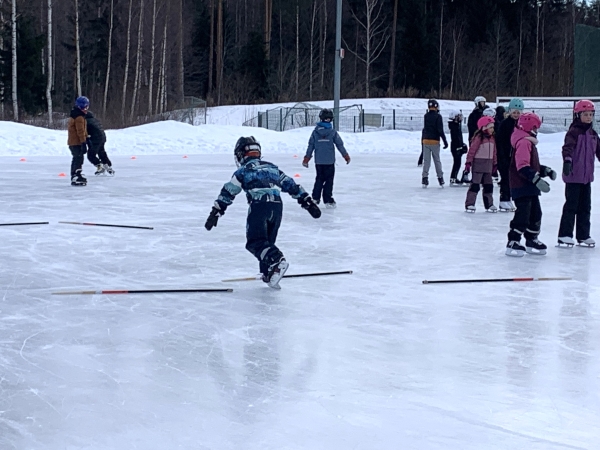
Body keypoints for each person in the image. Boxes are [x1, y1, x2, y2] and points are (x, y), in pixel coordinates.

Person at [206, 136, 321, 289]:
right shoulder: (272, 168)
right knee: (267, 243)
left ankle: (277, 261)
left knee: (255, 242)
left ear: (240, 155)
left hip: (259, 206)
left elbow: (229, 191)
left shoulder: (243, 171)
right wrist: (307, 201)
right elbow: (290, 184)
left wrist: (216, 211)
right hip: (277, 207)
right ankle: (269, 273)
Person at [505, 112, 556, 257]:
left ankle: (531, 239)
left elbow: (532, 165)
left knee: (535, 213)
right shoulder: (523, 142)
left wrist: (545, 170)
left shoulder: (528, 141)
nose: (537, 131)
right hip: (521, 185)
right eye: (535, 128)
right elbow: (522, 166)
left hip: (530, 186)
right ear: (529, 127)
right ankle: (513, 241)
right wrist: (537, 179)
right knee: (523, 214)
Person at [557, 99, 600, 247]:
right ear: (578, 115)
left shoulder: (593, 134)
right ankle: (564, 235)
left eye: (591, 114)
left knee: (585, 207)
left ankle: (583, 235)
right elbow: (567, 148)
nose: (589, 117)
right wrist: (567, 161)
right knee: (571, 206)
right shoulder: (573, 132)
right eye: (586, 114)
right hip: (574, 176)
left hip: (586, 178)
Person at [303, 108, 350, 208]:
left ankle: (315, 198)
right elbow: (339, 144)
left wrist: (307, 158)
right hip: (329, 161)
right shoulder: (332, 132)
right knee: (329, 180)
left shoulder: (315, 132)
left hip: (319, 161)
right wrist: (345, 155)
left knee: (319, 179)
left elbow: (310, 146)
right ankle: (328, 199)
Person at [464, 116, 498, 213]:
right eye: (490, 127)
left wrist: (495, 164)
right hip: (478, 165)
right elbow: (472, 150)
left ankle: (489, 204)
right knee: (475, 185)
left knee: (488, 186)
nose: (492, 129)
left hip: (488, 166)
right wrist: (468, 163)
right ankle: (470, 204)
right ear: (484, 128)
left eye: (493, 127)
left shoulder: (492, 138)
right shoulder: (479, 138)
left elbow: (494, 152)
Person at [496, 98, 524, 212]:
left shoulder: (521, 124)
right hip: (505, 157)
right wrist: (502, 157)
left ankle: (509, 199)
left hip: (515, 157)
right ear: (510, 112)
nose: (516, 114)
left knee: (513, 179)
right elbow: (500, 142)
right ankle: (504, 199)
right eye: (514, 112)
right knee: (505, 179)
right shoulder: (504, 124)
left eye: (518, 112)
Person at [420, 99, 448, 187]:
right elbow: (440, 130)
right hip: (435, 141)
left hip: (426, 140)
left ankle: (424, 178)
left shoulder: (426, 116)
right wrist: (445, 141)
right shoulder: (438, 116)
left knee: (426, 161)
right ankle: (440, 178)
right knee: (437, 160)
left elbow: (425, 129)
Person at [67, 96, 90, 186]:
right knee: (78, 158)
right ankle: (75, 174)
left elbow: (83, 130)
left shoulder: (75, 114)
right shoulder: (79, 117)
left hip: (74, 142)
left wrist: (87, 137)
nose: (86, 109)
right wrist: (83, 142)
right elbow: (80, 131)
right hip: (76, 142)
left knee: (77, 158)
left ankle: (76, 173)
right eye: (85, 107)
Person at [85, 111, 115, 176]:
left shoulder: (86, 122)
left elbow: (85, 132)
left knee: (91, 155)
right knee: (101, 152)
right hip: (102, 138)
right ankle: (107, 165)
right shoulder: (95, 120)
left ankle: (100, 167)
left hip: (96, 139)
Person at [448, 110, 467, 186]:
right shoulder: (454, 126)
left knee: (457, 163)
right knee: (457, 163)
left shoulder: (456, 125)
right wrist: (459, 147)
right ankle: (453, 178)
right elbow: (456, 138)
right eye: (458, 116)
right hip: (456, 147)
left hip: (457, 146)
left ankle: (454, 177)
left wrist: (462, 145)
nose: (460, 118)